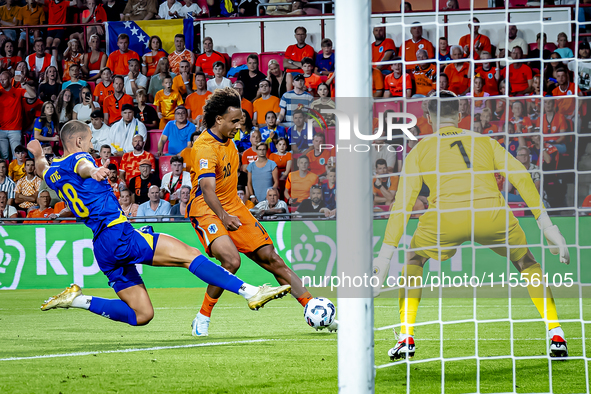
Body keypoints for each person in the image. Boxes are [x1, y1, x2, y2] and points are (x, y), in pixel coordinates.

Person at [372, 93, 570, 361]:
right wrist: (546, 225)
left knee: (414, 258)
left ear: (428, 119)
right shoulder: (485, 141)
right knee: (527, 262)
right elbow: (521, 175)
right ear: (461, 115)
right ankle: (556, 333)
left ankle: (406, 337)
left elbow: (402, 205)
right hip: (491, 213)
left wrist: (385, 256)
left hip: (445, 218)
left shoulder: (419, 150)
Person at [33, 122, 289, 327]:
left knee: (141, 314)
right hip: (118, 234)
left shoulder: (53, 173)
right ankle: (250, 292)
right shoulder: (81, 161)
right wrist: (94, 171)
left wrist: (36, 151)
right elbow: (83, 164)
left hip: (102, 247)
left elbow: (40, 165)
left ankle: (78, 300)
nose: (91, 144)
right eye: (89, 140)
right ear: (78, 142)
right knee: (190, 256)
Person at [188, 87, 323, 336]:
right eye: (233, 121)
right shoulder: (205, 148)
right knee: (231, 260)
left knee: (272, 258)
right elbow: (207, 189)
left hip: (233, 206)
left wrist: (233, 211)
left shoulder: (229, 141)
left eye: (240, 120)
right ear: (218, 120)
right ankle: (202, 316)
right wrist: (224, 216)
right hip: (207, 208)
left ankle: (312, 306)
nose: (239, 126)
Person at [0, 70, 35, 159]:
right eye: (0, 79)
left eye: (4, 79)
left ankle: (16, 173)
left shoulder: (18, 91)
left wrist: (24, 83)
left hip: (15, 129)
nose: (2, 81)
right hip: (1, 129)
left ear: (10, 80)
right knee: (4, 157)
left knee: (17, 156)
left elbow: (33, 95)